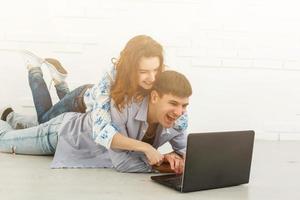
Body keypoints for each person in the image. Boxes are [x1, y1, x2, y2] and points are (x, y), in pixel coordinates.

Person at [1, 35, 188, 166]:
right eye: (144, 72)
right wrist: (145, 148)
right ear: (131, 69)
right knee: (44, 121)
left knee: (41, 124)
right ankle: (36, 70)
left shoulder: (157, 82)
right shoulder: (111, 81)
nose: (152, 77)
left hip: (84, 117)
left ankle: (10, 116)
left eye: (156, 70)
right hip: (82, 101)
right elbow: (102, 132)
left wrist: (174, 155)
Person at [0, 70, 192, 173]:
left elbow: (186, 152)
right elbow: (123, 162)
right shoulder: (126, 107)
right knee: (4, 140)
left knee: (35, 123)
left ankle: (9, 115)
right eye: (174, 103)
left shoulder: (179, 119)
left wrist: (174, 157)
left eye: (184, 105)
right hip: (65, 134)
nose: (179, 112)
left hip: (79, 137)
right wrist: (157, 158)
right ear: (155, 97)